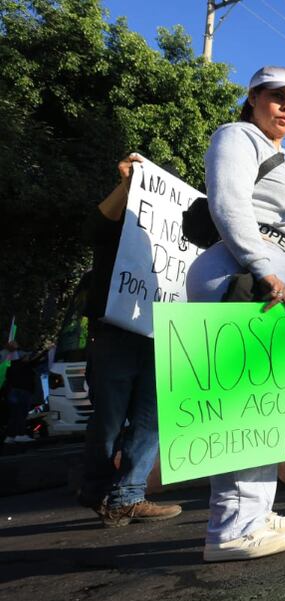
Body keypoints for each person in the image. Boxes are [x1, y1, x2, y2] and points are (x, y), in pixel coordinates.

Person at [187, 66, 285, 562]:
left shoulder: (277, 154)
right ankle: (230, 527)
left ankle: (255, 512)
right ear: (252, 98)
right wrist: (263, 268)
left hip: (269, 275)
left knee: (264, 404)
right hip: (245, 273)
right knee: (240, 403)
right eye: (277, 97)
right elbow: (228, 202)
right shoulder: (237, 135)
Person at [78, 154, 183, 527]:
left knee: (151, 420)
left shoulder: (179, 233)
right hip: (116, 333)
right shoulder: (120, 217)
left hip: (161, 335)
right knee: (109, 418)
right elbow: (92, 229)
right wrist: (126, 187)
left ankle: (127, 497)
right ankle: (97, 490)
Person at [2, 341, 35, 444]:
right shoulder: (22, 365)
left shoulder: (9, 363)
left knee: (14, 415)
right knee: (21, 414)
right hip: (23, 391)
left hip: (13, 391)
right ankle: (20, 434)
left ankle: (10, 436)